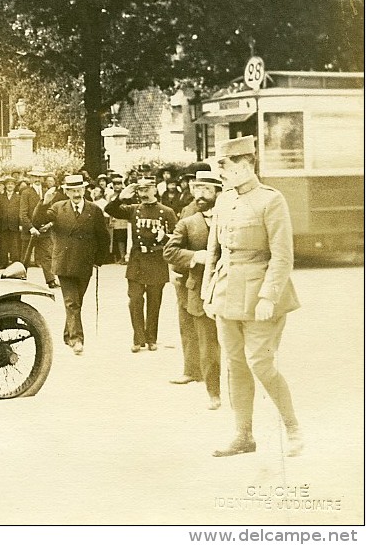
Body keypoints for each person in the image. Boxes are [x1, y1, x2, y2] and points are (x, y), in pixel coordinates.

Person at [202, 136, 302, 458]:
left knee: (260, 363)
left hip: (260, 296)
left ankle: (293, 428)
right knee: (235, 365)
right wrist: (207, 292)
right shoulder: (223, 200)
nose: (222, 174)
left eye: (226, 168)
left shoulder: (271, 201)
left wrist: (268, 297)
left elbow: (282, 256)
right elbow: (214, 250)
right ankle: (243, 435)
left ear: (245, 166)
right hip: (226, 293)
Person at [162, 171, 224, 410]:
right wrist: (195, 256)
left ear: (218, 192)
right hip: (199, 289)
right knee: (208, 344)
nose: (200, 195)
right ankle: (214, 393)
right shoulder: (188, 222)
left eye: (206, 190)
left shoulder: (230, 219)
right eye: (197, 189)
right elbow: (170, 252)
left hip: (228, 288)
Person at [36, 175, 110, 354]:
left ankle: (68, 334)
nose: (77, 194)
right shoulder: (57, 208)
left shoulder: (94, 210)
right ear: (67, 192)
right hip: (64, 262)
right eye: (73, 190)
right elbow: (38, 222)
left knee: (77, 302)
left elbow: (103, 236)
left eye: (79, 190)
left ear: (84, 190)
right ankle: (77, 340)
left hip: (85, 263)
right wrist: (43, 203)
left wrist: (99, 259)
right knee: (71, 302)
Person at [106, 177, 178, 352]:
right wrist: (121, 196)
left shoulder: (166, 212)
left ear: (154, 190)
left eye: (147, 189)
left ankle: (152, 338)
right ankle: (138, 338)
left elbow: (177, 237)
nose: (144, 193)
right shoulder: (133, 209)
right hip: (137, 259)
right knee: (135, 299)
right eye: (140, 190)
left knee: (154, 302)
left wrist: (166, 237)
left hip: (156, 259)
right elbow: (110, 209)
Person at [0, 176, 21, 267]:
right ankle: (3, 263)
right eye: (8, 184)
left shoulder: (18, 197)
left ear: (15, 186)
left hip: (14, 225)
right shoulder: (0, 198)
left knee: (15, 245)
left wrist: (21, 224)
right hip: (2, 225)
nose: (10, 186)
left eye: (12, 184)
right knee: (3, 245)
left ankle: (15, 264)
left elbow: (21, 212)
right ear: (5, 186)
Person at [20, 166, 47, 268]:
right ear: (30, 178)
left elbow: (51, 211)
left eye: (39, 177)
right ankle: (21, 279)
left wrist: (48, 225)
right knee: (25, 258)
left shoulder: (47, 192)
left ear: (43, 178)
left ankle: (51, 281)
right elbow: (23, 214)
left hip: (44, 231)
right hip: (29, 231)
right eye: (35, 177)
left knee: (46, 257)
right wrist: (31, 228)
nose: (37, 179)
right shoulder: (26, 193)